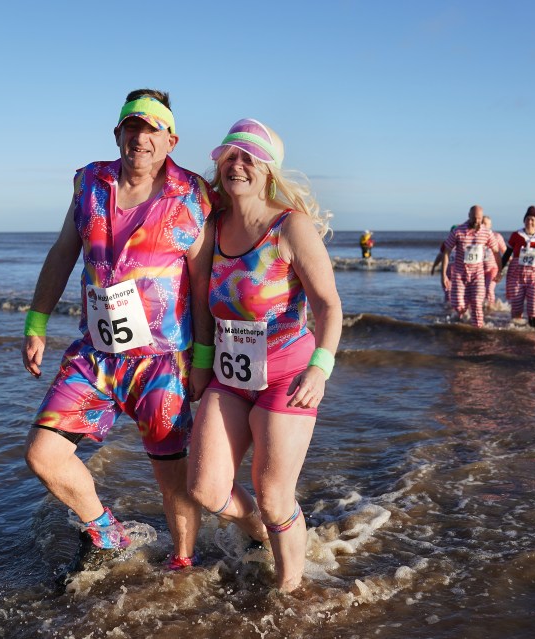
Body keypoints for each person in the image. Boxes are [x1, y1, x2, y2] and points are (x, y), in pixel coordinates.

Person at [21, 89, 210, 577]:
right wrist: (36, 322)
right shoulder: (89, 182)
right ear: (118, 134)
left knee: (172, 478)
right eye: (132, 127)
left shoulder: (192, 194)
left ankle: (183, 564)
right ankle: (106, 533)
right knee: (44, 454)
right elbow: (64, 251)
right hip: (96, 354)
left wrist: (205, 359)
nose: (140, 138)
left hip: (162, 362)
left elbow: (205, 281)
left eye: (152, 130)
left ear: (171, 139)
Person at [187, 118, 343, 592]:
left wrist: (321, 366)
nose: (239, 164)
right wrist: (198, 363)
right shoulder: (211, 228)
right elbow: (200, 303)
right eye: (231, 155)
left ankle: (290, 589)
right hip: (229, 376)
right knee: (205, 489)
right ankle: (255, 529)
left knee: (276, 496)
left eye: (250, 157)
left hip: (288, 378)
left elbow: (329, 306)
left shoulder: (289, 227)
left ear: (269, 171)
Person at [441, 206, 502, 328]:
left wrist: (500, 271)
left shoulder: (487, 233)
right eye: (474, 218)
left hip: (477, 274)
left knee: (477, 303)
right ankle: (462, 320)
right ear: (468, 215)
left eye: (479, 218)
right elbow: (446, 251)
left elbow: (496, 252)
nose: (476, 221)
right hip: (459, 273)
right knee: (458, 304)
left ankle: (478, 330)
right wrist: (443, 275)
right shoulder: (458, 231)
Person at [498, 206, 535, 328]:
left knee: (534, 305)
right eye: (528, 219)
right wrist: (499, 271)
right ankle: (517, 332)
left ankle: (533, 332)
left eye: (533, 220)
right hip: (516, 274)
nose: (530, 222)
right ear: (524, 220)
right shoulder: (516, 235)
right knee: (516, 307)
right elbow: (507, 255)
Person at [482, 216, 508, 308]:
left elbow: (505, 252)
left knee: (489, 289)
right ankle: (483, 308)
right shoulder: (476, 237)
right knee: (480, 292)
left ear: (490, 225)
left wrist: (514, 261)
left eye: (486, 224)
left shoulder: (496, 237)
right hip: (480, 270)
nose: (483, 225)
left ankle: (491, 308)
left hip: (493, 269)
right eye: (482, 223)